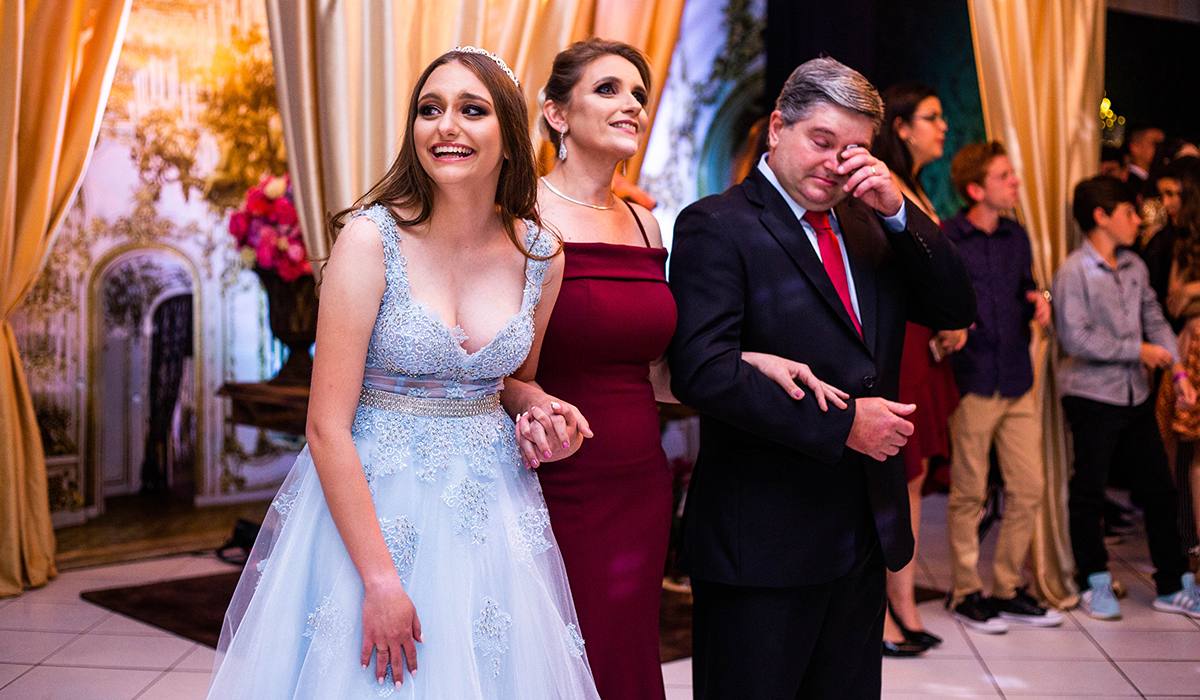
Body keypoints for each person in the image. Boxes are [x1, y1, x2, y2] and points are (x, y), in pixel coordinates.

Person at [207, 48, 603, 699]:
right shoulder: (371, 241)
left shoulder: (540, 254)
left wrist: (542, 411)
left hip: (489, 510)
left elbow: (511, 381)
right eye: (430, 109)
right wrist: (380, 581)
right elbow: (325, 426)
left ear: (509, 134)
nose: (445, 125)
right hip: (373, 506)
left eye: (471, 109)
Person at [501, 39, 847, 700]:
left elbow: (657, 370)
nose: (631, 104)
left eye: (638, 93)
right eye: (607, 89)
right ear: (556, 113)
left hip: (641, 478)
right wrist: (534, 405)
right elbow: (503, 374)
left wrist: (748, 361)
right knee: (567, 657)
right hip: (557, 473)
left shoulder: (645, 225)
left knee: (627, 651)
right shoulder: (521, 220)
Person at [668, 57, 976, 699]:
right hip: (762, 540)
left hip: (861, 531)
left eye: (854, 149)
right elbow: (703, 370)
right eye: (822, 140)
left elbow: (954, 306)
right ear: (778, 127)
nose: (836, 163)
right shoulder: (716, 224)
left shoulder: (869, 224)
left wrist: (899, 209)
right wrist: (844, 424)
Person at [1053, 175, 1200, 622]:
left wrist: (1178, 370)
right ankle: (1092, 580)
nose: (1138, 220)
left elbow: (1154, 317)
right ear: (1101, 216)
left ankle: (1173, 584)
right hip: (1091, 394)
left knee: (1159, 489)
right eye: (1129, 212)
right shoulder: (1074, 271)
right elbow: (1075, 337)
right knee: (1090, 489)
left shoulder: (1134, 265)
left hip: (1135, 394)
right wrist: (1138, 351)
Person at [939, 141, 1060, 633]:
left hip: (1016, 377)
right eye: (1005, 176)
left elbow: (1024, 286)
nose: (1015, 183)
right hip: (971, 378)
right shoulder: (948, 236)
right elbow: (935, 300)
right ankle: (965, 592)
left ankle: (1008, 588)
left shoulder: (1016, 235)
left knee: (1029, 488)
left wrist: (1038, 297)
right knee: (969, 493)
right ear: (975, 189)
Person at [871, 82, 959, 656]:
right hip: (896, 343)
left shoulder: (919, 188)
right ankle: (879, 610)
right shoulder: (883, 187)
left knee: (914, 476)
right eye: (931, 117)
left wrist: (951, 318)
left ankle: (903, 602)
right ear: (900, 127)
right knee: (892, 475)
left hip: (924, 344)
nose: (943, 126)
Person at [1159, 156, 1200, 557]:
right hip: (1192, 349)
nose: (1168, 203)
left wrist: (1194, 290)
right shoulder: (1182, 241)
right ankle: (1194, 547)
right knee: (1185, 451)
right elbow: (1174, 301)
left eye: (1176, 194)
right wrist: (1187, 295)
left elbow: (1184, 296)